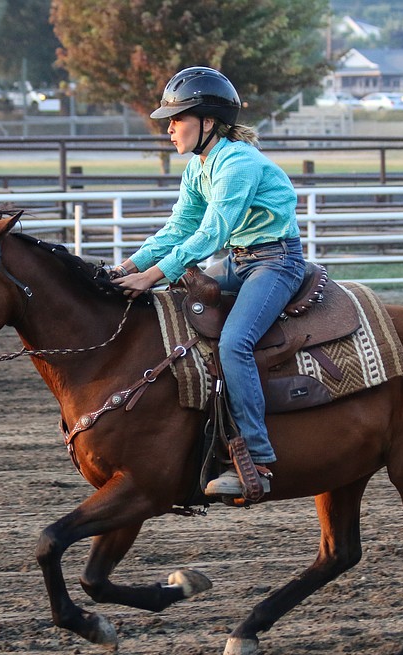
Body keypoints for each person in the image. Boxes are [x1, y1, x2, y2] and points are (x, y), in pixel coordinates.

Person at [112, 66, 306, 499]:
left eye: (176, 120)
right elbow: (179, 227)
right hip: (241, 263)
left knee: (235, 342)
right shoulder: (200, 166)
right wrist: (128, 267)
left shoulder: (237, 163)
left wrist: (154, 275)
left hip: (275, 264)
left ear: (208, 122)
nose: (170, 130)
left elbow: (212, 233)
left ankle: (257, 460)